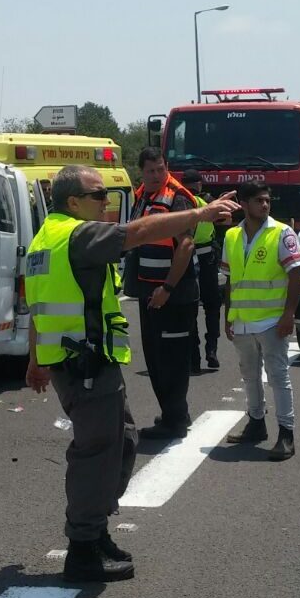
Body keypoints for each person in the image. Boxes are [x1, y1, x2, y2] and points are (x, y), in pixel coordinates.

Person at [26, 164, 239, 583]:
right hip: (86, 364)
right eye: (98, 195)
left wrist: (35, 360)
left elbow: (37, 306)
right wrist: (198, 214)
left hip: (78, 362)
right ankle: (83, 549)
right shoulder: (78, 235)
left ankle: (95, 532)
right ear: (73, 202)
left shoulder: (43, 239)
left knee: (120, 442)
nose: (107, 203)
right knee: (97, 453)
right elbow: (138, 233)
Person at [222, 181, 300, 461]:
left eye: (267, 200)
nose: (265, 205)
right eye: (258, 201)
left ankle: (286, 433)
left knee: (278, 377)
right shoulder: (232, 236)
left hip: (271, 321)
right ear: (243, 204)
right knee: (249, 376)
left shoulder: (282, 233)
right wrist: (227, 315)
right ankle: (256, 422)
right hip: (243, 321)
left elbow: (296, 274)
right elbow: (230, 278)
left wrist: (289, 313)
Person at [123, 148, 200, 440]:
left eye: (160, 169)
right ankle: (173, 413)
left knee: (171, 361)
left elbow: (186, 246)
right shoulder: (143, 196)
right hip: (150, 293)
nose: (156, 175)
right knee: (155, 358)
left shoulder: (176, 198)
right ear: (141, 172)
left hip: (173, 295)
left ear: (166, 168)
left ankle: (175, 420)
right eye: (150, 171)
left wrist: (167, 288)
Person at [181, 171, 224, 372]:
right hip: (207, 258)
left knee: (190, 306)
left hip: (187, 257)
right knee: (212, 305)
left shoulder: (180, 203)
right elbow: (224, 219)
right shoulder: (206, 202)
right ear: (199, 184)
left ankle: (194, 356)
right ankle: (212, 349)